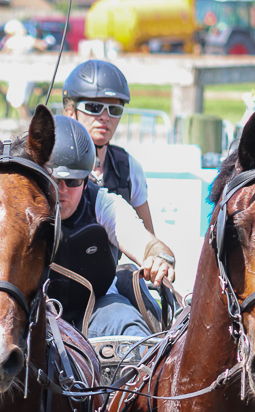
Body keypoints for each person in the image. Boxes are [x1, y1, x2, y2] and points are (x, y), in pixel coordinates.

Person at [47, 115, 174, 338]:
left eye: (73, 181)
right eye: (54, 179)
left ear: (86, 181)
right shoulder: (19, 211)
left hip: (99, 305)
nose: (62, 189)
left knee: (129, 328)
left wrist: (158, 258)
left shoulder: (104, 204)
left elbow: (146, 243)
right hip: (38, 308)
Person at [62, 60, 155, 233]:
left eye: (114, 109)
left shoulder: (129, 169)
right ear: (70, 112)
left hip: (110, 260)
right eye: (94, 107)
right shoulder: (53, 167)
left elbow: (148, 238)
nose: (105, 117)